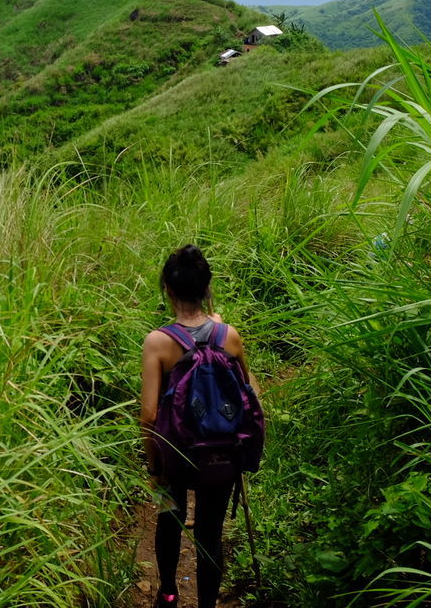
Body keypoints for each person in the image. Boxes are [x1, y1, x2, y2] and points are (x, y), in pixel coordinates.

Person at [139, 244, 259, 608]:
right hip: (221, 457)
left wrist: (154, 465)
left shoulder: (157, 342)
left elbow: (148, 415)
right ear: (207, 288)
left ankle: (169, 593)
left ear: (168, 290)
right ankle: (207, 603)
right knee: (210, 533)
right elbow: (251, 392)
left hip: (173, 457)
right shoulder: (230, 336)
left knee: (167, 522)